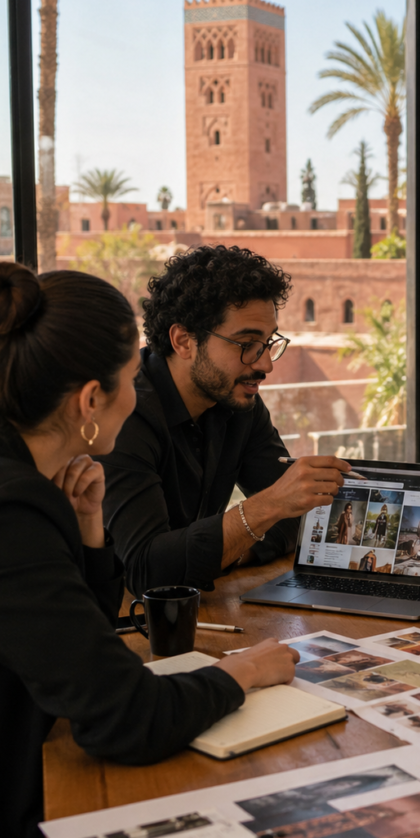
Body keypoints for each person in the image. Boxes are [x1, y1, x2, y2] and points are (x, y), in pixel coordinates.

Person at [0, 263, 300, 838]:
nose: (139, 390)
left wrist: (89, 533)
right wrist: (245, 671)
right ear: (91, 400)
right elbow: (124, 717)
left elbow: (75, 636)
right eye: (129, 378)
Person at [99, 245, 350, 595]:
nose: (265, 365)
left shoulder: (237, 402)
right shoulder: (126, 414)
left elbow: (298, 517)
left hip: (196, 615)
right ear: (184, 341)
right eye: (247, 343)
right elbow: (146, 570)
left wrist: (226, 552)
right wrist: (267, 507)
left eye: (267, 342)